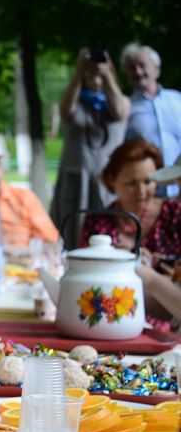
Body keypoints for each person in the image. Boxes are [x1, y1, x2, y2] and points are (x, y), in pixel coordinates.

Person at [79, 138, 181, 330]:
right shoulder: (98, 220)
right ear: (111, 180)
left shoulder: (174, 214)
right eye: (131, 183)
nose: (141, 191)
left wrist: (142, 272)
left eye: (148, 182)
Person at [51, 46, 131, 244]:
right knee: (72, 236)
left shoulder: (120, 102)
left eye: (99, 76)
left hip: (108, 184)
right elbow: (65, 111)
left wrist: (107, 75)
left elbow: (120, 112)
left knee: (107, 237)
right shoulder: (74, 103)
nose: (95, 79)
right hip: (78, 183)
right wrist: (79, 72)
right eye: (90, 75)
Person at [121, 43, 181, 197]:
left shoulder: (177, 100)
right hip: (147, 194)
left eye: (142, 65)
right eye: (131, 68)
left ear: (156, 67)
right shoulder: (126, 108)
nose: (138, 72)